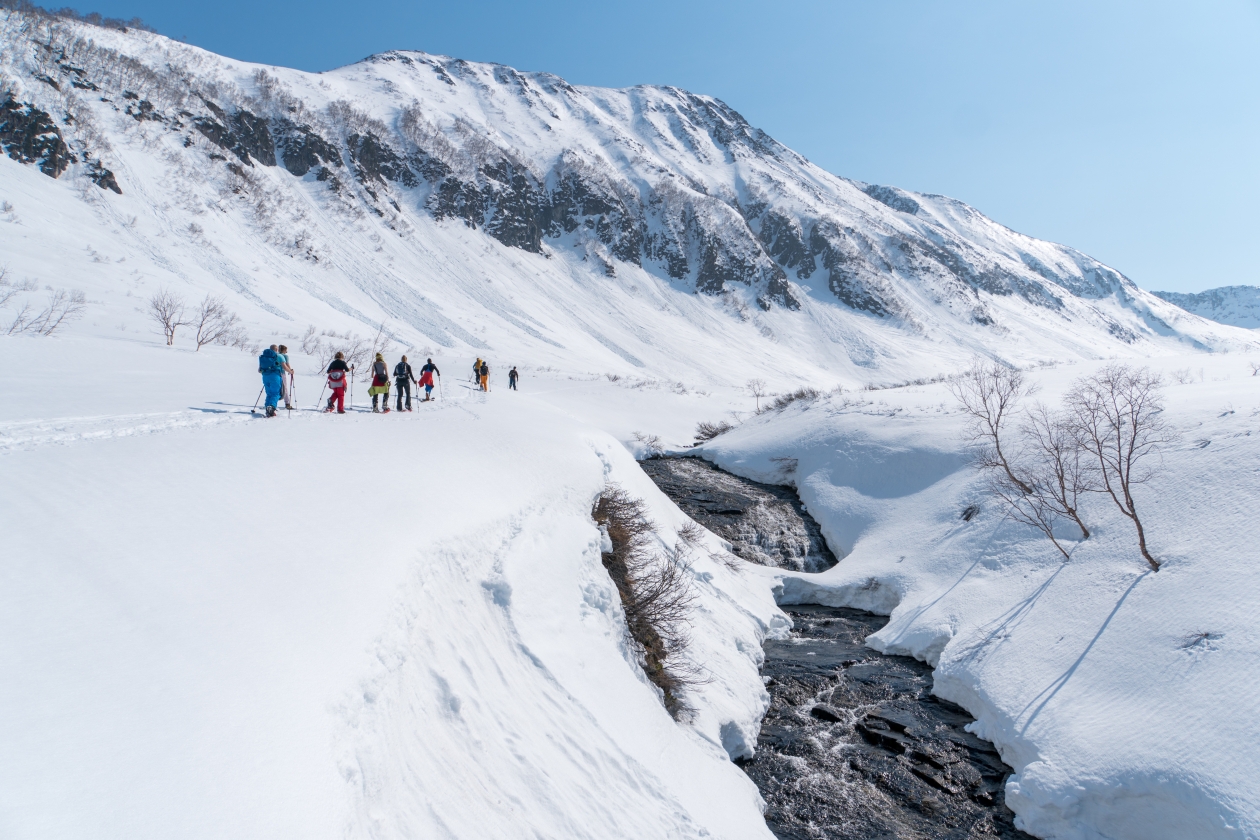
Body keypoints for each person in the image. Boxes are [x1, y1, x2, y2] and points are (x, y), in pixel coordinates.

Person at [257, 344, 284, 418]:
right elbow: (284, 366)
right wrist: (291, 372)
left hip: (265, 377)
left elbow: (259, 370)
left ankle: (267, 408)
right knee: (275, 393)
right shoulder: (278, 356)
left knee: (269, 393)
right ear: (276, 349)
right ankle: (271, 407)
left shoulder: (263, 357)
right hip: (275, 376)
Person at [278, 344, 295, 411]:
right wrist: (290, 371)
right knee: (285, 388)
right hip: (282, 373)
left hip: (275, 373)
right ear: (284, 350)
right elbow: (287, 364)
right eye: (286, 350)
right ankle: (287, 403)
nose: (286, 351)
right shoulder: (285, 356)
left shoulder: (276, 355)